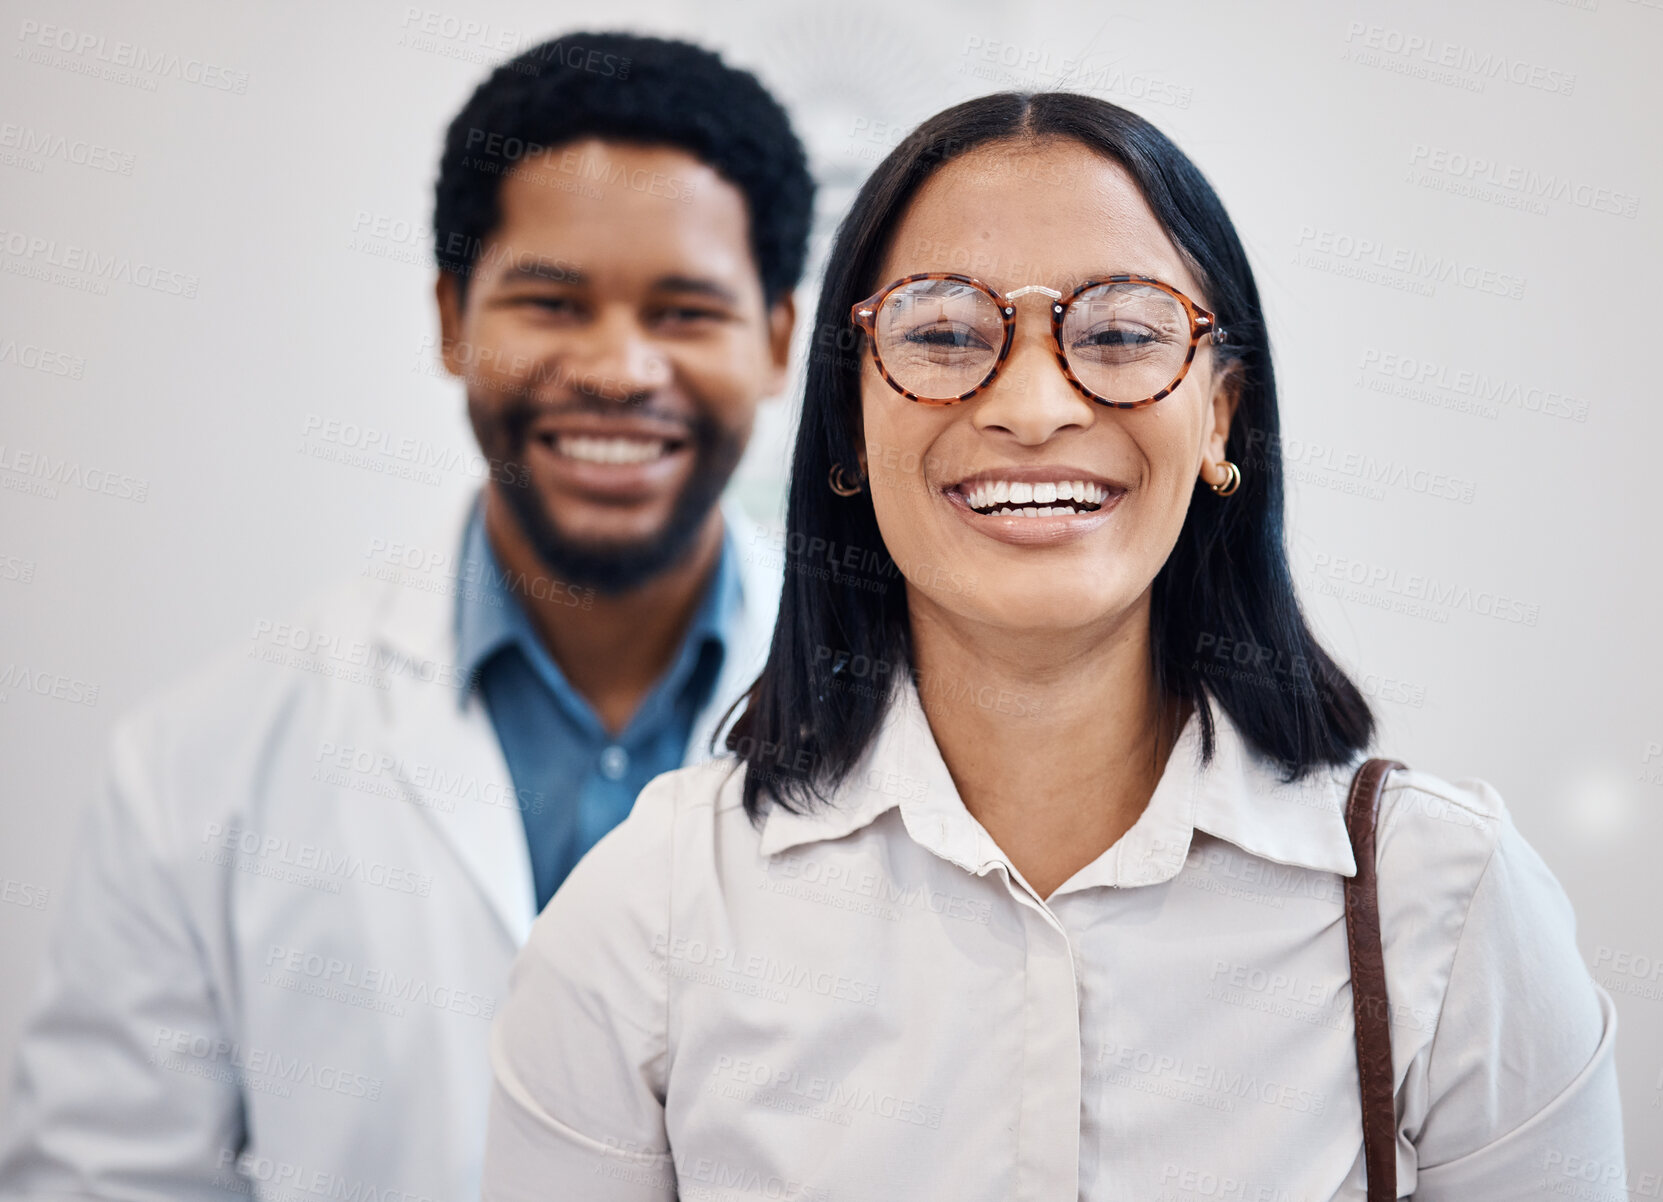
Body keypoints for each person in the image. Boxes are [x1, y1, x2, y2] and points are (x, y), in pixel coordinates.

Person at [481, 91, 1624, 1200]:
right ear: (849, 419)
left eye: (1122, 331)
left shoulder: (1447, 902)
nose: (1032, 404)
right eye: (941, 331)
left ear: (1220, 413)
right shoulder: (653, 912)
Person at [0, 31, 811, 1202]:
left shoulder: (916, 719)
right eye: (551, 300)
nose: (619, 368)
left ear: (779, 338)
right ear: (450, 317)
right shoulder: (200, 766)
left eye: (685, 310)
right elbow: (102, 1179)